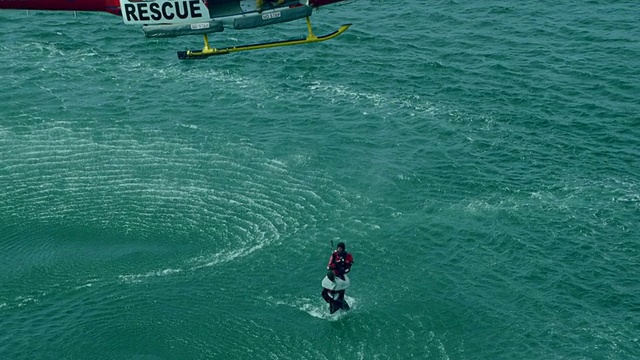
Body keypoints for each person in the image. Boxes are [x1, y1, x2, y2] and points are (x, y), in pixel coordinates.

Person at [321, 242, 353, 313]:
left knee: (340, 292)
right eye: (338, 248)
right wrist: (333, 265)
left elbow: (348, 267)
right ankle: (332, 303)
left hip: (341, 274)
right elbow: (329, 265)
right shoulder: (334, 255)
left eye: (340, 248)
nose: (339, 249)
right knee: (325, 293)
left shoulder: (347, 256)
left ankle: (339, 304)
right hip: (335, 273)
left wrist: (343, 269)